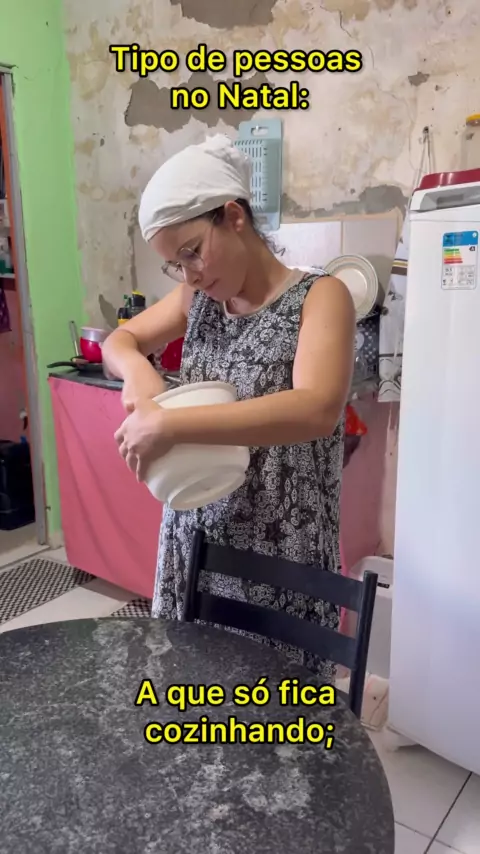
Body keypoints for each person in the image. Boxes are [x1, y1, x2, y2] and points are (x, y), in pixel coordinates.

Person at [103, 134, 355, 679]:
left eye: (192, 251)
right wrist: (139, 372)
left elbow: (315, 409)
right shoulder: (199, 299)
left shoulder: (321, 297)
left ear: (234, 216)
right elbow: (117, 342)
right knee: (196, 691)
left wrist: (170, 423)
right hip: (197, 534)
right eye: (175, 265)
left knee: (280, 704)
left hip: (281, 546)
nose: (190, 273)